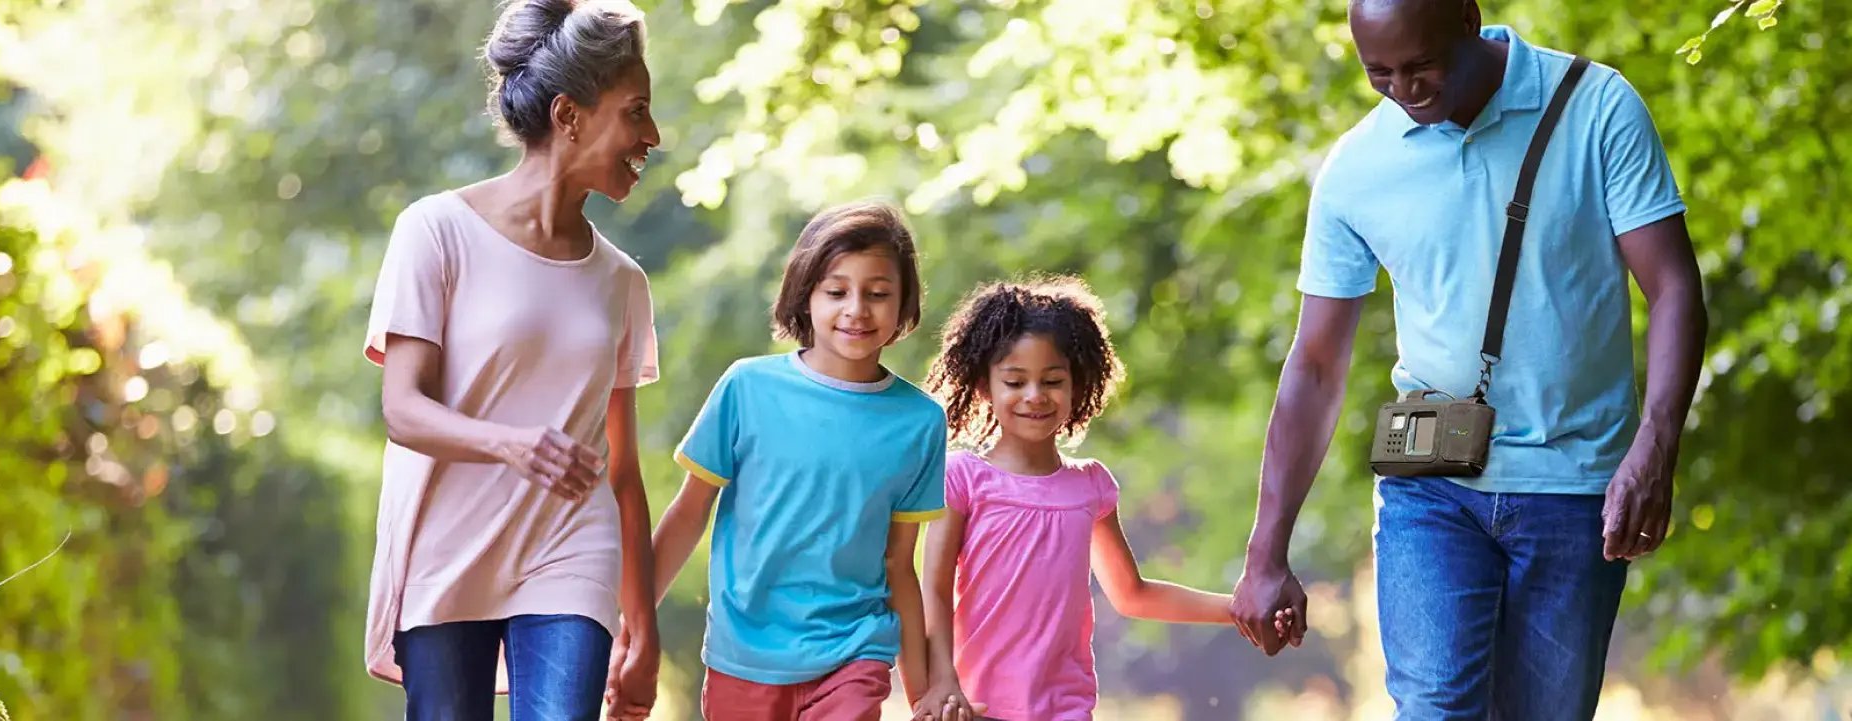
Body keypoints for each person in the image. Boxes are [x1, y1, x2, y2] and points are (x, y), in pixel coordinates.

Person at [1230, 1, 1708, 719]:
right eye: (1379, 74)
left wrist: (1656, 446)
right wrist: (1266, 551)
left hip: (1574, 485)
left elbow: (1673, 288)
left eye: (1419, 66)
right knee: (1433, 705)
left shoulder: (1594, 105)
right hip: (1431, 487)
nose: (1404, 90)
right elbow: (1317, 366)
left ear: (1466, 18)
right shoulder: (1357, 168)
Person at [359, 1, 666, 718]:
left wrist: (643, 629)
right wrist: (512, 444)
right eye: (636, 112)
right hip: (448, 549)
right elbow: (402, 409)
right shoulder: (436, 231)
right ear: (569, 115)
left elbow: (621, 471)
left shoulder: (621, 281)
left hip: (570, 550)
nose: (651, 136)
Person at [919, 277, 1294, 721]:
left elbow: (1132, 593)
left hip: (1067, 708)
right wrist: (941, 681)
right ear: (985, 386)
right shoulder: (964, 479)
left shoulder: (1090, 486)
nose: (1035, 396)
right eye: (1015, 381)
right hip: (977, 707)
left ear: (1078, 385)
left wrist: (1240, 611)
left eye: (1052, 380)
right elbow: (935, 592)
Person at [648, 201, 956, 721]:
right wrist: (630, 622)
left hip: (854, 652)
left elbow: (899, 564)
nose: (857, 309)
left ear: (904, 306)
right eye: (836, 292)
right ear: (805, 295)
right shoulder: (747, 386)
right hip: (743, 654)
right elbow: (688, 513)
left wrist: (922, 690)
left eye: (878, 294)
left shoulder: (920, 421)